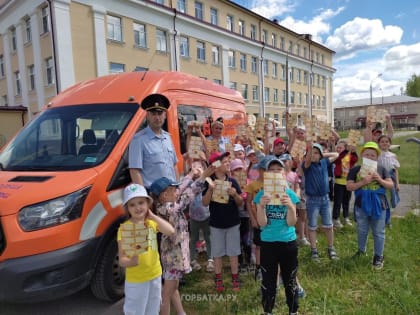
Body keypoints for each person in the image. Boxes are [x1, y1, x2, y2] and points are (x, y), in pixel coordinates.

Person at [150, 169, 212, 315]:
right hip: (173, 257)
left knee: (173, 287)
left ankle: (181, 312)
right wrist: (202, 177)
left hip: (175, 256)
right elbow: (186, 196)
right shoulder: (168, 208)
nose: (177, 192)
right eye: (173, 190)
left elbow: (181, 189)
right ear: (165, 195)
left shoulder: (166, 203)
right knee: (166, 293)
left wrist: (190, 175)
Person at [117, 183, 175, 315]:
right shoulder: (125, 229)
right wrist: (131, 262)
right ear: (127, 208)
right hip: (137, 280)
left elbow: (171, 231)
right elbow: (122, 260)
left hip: (154, 275)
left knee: (153, 309)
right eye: (132, 204)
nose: (137, 207)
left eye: (141, 202)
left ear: (148, 204)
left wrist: (153, 216)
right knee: (136, 311)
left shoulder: (151, 223)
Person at [254, 156, 300, 315]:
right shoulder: (261, 195)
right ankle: (268, 310)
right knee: (268, 280)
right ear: (266, 174)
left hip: (288, 242)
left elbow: (292, 223)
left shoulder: (289, 194)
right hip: (268, 243)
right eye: (271, 170)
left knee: (290, 279)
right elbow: (262, 224)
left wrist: (291, 208)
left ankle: (293, 310)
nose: (275, 173)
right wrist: (261, 206)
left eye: (278, 170)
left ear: (284, 174)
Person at [346, 142, 394, 269]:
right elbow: (349, 186)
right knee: (362, 229)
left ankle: (378, 256)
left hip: (379, 204)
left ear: (377, 157)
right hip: (361, 204)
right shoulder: (356, 169)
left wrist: (380, 180)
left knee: (378, 231)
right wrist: (363, 182)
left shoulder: (382, 169)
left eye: (373, 155)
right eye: (367, 154)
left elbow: (390, 185)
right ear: (362, 155)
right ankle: (361, 251)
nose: (370, 157)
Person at [202, 151, 244, 292]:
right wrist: (209, 191)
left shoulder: (232, 181)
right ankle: (218, 278)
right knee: (217, 253)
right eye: (224, 162)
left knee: (233, 252)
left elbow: (240, 203)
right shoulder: (209, 182)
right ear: (216, 165)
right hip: (216, 224)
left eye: (228, 161)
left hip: (233, 223)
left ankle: (235, 277)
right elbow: (204, 203)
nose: (228, 164)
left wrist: (235, 194)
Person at [128, 94, 179, 188]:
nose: (157, 117)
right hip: (154, 196)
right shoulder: (138, 139)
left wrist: (177, 187)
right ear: (147, 115)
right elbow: (135, 171)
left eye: (160, 113)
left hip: (171, 193)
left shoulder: (168, 138)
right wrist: (145, 197)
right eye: (153, 114)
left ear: (165, 115)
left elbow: (174, 165)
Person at [302, 142, 339, 262]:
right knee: (312, 226)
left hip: (325, 199)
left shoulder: (324, 162)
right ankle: (314, 250)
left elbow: (337, 154)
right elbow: (307, 160)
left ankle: (331, 248)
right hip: (312, 200)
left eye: (316, 153)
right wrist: (310, 149)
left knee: (329, 225)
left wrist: (322, 154)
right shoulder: (306, 166)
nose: (313, 155)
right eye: (311, 153)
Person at [184, 159, 215, 272]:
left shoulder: (207, 181)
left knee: (208, 238)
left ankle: (210, 259)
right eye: (194, 167)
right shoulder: (189, 183)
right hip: (193, 217)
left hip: (207, 216)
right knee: (194, 239)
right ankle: (193, 259)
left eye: (200, 167)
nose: (197, 169)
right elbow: (184, 181)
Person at [230, 158, 252, 273]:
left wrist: (245, 193)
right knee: (236, 240)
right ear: (232, 172)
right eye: (236, 170)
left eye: (240, 169)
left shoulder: (248, 182)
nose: (238, 172)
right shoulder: (230, 183)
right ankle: (240, 262)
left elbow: (250, 197)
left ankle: (248, 261)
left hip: (246, 216)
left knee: (246, 239)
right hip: (234, 216)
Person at [332, 140, 358, 228]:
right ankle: (336, 218)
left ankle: (346, 217)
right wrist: (346, 151)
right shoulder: (337, 157)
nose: (339, 149)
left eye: (341, 148)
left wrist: (353, 151)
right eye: (337, 148)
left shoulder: (350, 156)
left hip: (347, 183)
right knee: (337, 202)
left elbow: (355, 159)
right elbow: (339, 158)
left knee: (346, 201)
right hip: (339, 183)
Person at [377, 135, 400, 227]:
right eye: (382, 141)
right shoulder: (377, 154)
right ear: (379, 143)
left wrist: (397, 184)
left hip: (391, 178)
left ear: (390, 144)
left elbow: (395, 171)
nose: (384, 143)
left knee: (390, 199)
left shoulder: (393, 155)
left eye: (387, 141)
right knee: (382, 199)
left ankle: (388, 220)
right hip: (381, 177)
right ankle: (381, 219)